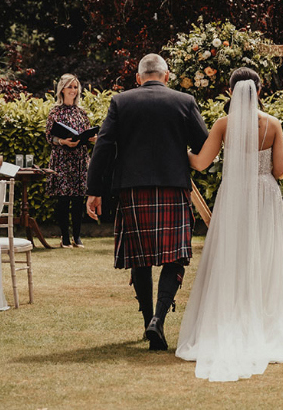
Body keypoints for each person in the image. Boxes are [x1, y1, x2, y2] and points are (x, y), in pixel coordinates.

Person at [177, 68, 283, 381]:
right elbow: (279, 169)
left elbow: (201, 163)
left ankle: (232, 314)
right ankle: (267, 318)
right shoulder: (273, 124)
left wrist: (179, 150)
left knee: (233, 254)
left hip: (234, 194)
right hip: (265, 196)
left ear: (231, 92)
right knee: (267, 256)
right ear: (258, 91)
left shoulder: (223, 124)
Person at [86, 54, 209, 351]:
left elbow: (103, 145)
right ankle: (159, 319)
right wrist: (180, 157)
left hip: (133, 189)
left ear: (138, 77)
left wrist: (94, 189)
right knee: (175, 256)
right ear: (167, 76)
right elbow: (204, 145)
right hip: (172, 186)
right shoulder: (184, 100)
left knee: (139, 257)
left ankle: (146, 323)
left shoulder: (121, 101)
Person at [45, 74, 93, 248]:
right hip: (62, 159)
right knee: (63, 199)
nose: (73, 90)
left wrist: (91, 138)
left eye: (75, 87)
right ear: (62, 89)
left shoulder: (81, 112)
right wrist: (62, 141)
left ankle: (77, 236)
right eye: (70, 87)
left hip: (79, 159)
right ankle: (65, 236)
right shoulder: (55, 111)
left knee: (79, 199)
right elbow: (49, 137)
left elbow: (86, 133)